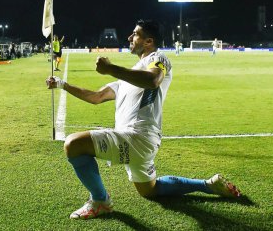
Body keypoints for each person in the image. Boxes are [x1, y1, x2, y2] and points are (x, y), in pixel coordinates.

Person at [46, 19, 241, 220]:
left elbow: (153, 80)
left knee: (74, 144)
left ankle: (100, 201)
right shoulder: (129, 76)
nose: (130, 37)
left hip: (137, 136)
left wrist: (111, 69)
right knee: (150, 190)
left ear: (148, 41)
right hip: (140, 141)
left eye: (135, 34)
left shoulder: (158, 58)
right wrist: (63, 84)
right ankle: (208, 185)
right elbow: (96, 97)